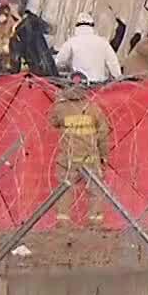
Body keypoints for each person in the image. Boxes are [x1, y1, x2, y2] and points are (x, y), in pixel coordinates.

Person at [47, 73, 110, 224]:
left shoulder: (60, 108)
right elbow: (103, 133)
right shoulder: (93, 108)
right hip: (90, 157)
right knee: (94, 189)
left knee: (65, 188)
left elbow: (52, 122)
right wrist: (104, 155)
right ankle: (95, 219)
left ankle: (63, 219)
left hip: (68, 157)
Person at [54, 11, 123, 84]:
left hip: (79, 85)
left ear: (76, 26)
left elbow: (58, 61)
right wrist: (118, 78)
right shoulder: (103, 42)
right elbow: (113, 63)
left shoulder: (71, 42)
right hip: (99, 86)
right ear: (92, 26)